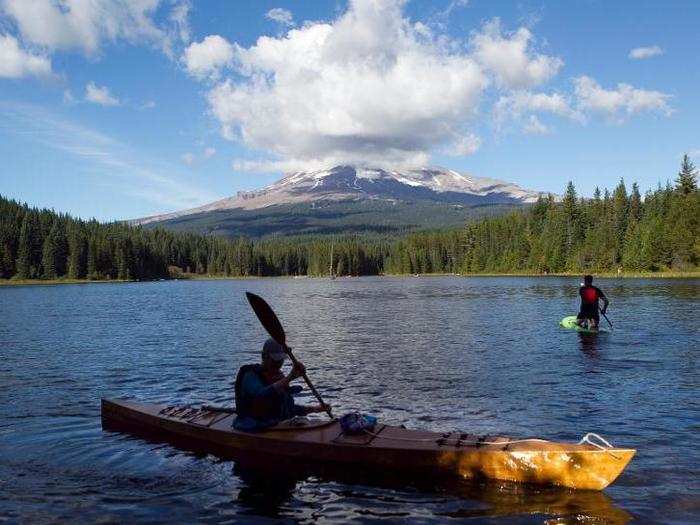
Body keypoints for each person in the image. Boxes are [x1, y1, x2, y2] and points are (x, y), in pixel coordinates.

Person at [233, 338, 330, 431]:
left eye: (280, 360)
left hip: (277, 425)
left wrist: (314, 409)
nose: (278, 363)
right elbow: (261, 394)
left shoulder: (279, 377)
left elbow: (287, 408)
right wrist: (290, 378)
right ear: (264, 356)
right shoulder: (250, 375)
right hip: (252, 426)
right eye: (274, 360)